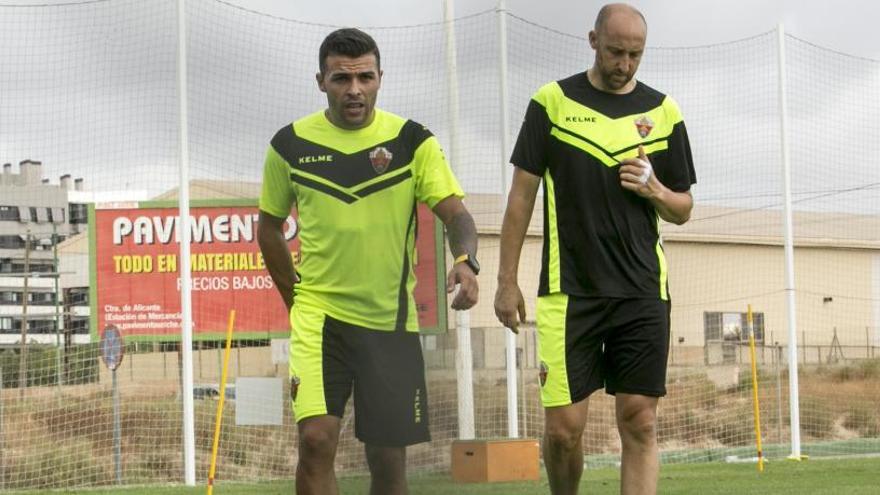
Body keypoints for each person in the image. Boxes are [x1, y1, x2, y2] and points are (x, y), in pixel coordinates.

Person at [258, 28, 480, 495]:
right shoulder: (289, 145)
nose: (354, 89)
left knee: (387, 457)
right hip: (320, 320)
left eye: (365, 77)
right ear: (321, 81)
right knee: (316, 440)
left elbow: (457, 215)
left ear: (380, 78)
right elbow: (268, 228)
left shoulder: (412, 141)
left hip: (390, 323)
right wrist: (294, 299)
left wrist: (465, 260)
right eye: (341, 78)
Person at [494, 4, 696, 495]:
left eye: (634, 55)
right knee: (564, 432)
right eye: (615, 51)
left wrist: (656, 191)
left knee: (640, 422)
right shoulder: (552, 102)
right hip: (570, 294)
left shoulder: (663, 112)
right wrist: (506, 279)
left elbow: (683, 207)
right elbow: (522, 196)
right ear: (592, 40)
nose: (624, 63)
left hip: (643, 291)